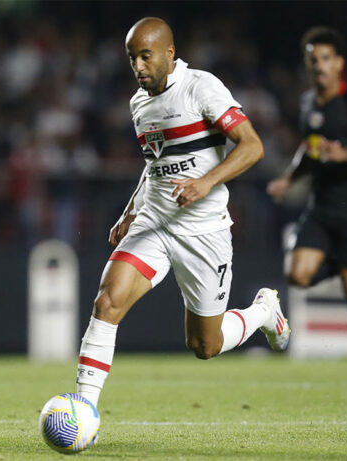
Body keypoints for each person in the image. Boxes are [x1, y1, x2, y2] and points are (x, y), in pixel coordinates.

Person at [74, 17, 290, 409]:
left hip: (203, 231)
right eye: (131, 58)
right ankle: (83, 409)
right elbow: (155, 164)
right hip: (154, 222)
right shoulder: (138, 103)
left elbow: (252, 146)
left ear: (169, 54)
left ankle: (262, 311)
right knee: (107, 302)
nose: (138, 66)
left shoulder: (201, 88)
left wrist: (206, 182)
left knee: (204, 345)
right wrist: (129, 212)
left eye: (145, 56)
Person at [266, 26, 347, 379]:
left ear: (338, 63)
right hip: (321, 205)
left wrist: (345, 153)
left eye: (325, 59)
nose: (318, 66)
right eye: (312, 61)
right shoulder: (308, 103)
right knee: (297, 274)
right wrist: (290, 179)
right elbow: (310, 149)